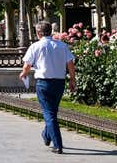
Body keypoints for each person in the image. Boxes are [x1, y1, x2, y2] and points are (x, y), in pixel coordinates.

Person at [19, 20, 76, 154]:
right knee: (52, 112)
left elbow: (27, 66)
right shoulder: (62, 45)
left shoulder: (35, 46)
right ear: (50, 32)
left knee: (49, 113)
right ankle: (46, 135)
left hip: (44, 83)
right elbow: (70, 63)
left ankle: (57, 144)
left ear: (38, 33)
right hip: (59, 83)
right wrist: (72, 79)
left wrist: (23, 74)